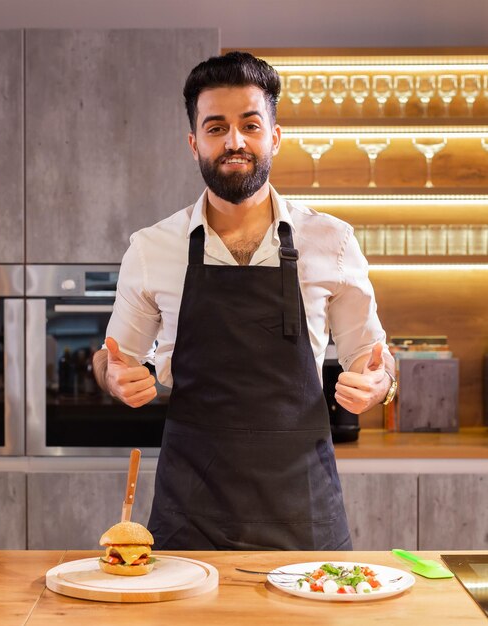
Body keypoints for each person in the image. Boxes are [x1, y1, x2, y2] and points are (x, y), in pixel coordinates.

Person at [93, 51, 396, 551]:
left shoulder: (333, 242)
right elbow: (114, 356)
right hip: (188, 519)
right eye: (216, 128)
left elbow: (377, 361)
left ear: (274, 136)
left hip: (304, 519)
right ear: (194, 144)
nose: (234, 141)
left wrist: (378, 383)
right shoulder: (152, 248)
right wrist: (113, 376)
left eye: (250, 125)